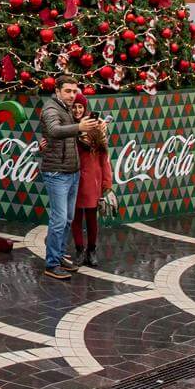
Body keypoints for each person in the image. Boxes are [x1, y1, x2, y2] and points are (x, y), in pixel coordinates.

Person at [38, 77, 88, 279]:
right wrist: (79, 128)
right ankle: (51, 264)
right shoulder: (51, 109)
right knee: (59, 220)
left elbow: (64, 135)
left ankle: (58, 257)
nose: (71, 95)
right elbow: (54, 131)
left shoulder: (66, 108)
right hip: (57, 172)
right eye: (67, 91)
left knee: (67, 219)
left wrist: (82, 131)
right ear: (57, 90)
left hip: (71, 171)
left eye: (74, 91)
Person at [70, 102, 115, 263]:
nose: (77, 110)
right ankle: (79, 250)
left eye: (80, 107)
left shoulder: (97, 128)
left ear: (85, 109)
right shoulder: (68, 127)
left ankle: (91, 250)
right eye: (74, 107)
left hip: (92, 181)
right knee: (75, 217)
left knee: (91, 218)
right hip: (73, 180)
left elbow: (104, 159)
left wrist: (107, 185)